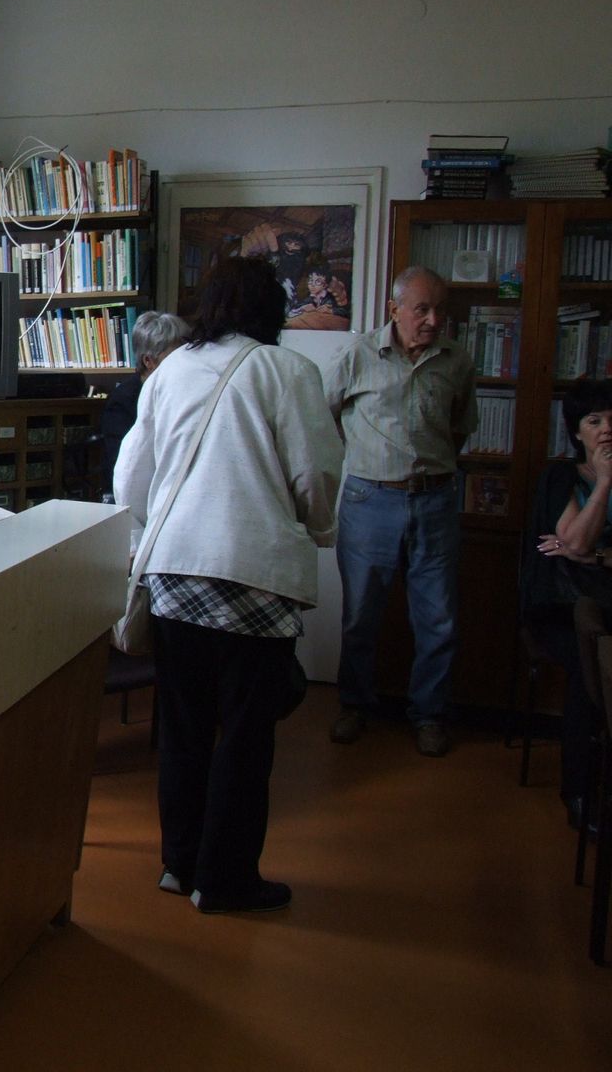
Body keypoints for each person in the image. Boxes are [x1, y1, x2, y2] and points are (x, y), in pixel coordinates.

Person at [115, 256, 342, 914]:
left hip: (175, 571)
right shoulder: (287, 372)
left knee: (183, 726)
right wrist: (318, 528)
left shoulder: (171, 370)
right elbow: (316, 474)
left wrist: (149, 535)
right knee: (245, 732)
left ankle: (179, 863)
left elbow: (132, 475)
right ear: (271, 311)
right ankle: (225, 879)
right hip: (253, 577)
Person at [325, 266, 476, 757]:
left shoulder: (456, 361)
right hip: (369, 500)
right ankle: (354, 705)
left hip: (436, 501)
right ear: (394, 310)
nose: (433, 320)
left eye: (440, 310)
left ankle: (429, 715)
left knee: (438, 619)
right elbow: (322, 414)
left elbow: (460, 427)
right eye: (422, 309)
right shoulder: (358, 355)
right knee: (360, 616)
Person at [534, 379, 612, 828]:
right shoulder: (561, 477)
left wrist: (597, 556)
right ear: (576, 431)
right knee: (591, 667)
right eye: (594, 420)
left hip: (607, 602)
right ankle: (581, 793)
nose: (606, 429)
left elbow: (581, 548)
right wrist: (604, 483)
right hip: (563, 609)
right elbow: (576, 541)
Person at [97, 311, 191, 498]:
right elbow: (123, 463)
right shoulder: (123, 399)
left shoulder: (181, 390)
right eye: (175, 356)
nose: (185, 362)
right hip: (128, 494)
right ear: (148, 361)